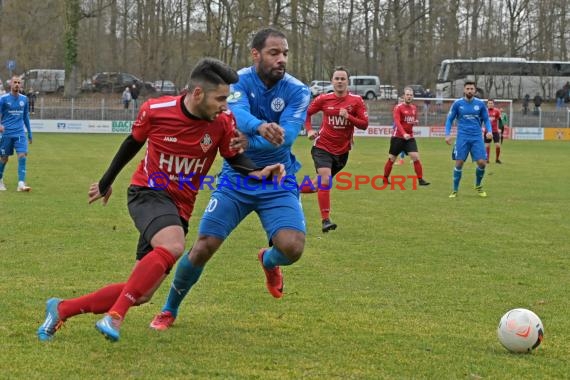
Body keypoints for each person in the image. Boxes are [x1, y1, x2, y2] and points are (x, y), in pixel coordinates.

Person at [36, 58, 283, 342]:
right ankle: (115, 315)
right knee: (174, 245)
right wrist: (106, 182)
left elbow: (235, 157)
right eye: (221, 98)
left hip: (181, 207)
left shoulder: (223, 123)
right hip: (148, 192)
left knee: (141, 293)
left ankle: (61, 309)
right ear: (198, 93)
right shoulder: (156, 110)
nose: (225, 105)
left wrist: (259, 171)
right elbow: (132, 142)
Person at [148, 27, 311, 331]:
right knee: (203, 246)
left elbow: (286, 137)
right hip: (237, 177)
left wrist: (251, 140)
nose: (281, 59)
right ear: (256, 54)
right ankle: (169, 309)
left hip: (278, 179)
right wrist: (261, 127)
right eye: (274, 53)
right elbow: (234, 116)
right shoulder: (236, 81)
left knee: (293, 248)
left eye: (285, 53)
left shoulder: (298, 90)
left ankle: (269, 260)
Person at [299, 66, 368, 232]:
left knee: (317, 185)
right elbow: (306, 113)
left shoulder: (356, 101)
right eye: (337, 78)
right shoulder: (324, 99)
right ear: (332, 81)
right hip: (322, 146)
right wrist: (309, 130)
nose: (339, 81)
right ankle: (326, 220)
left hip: (342, 151)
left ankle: (291, 191)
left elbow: (364, 125)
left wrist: (349, 117)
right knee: (325, 180)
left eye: (343, 79)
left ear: (347, 82)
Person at [445, 81, 492, 198]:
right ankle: (455, 190)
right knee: (459, 163)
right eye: (468, 88)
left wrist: (489, 131)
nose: (470, 91)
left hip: (477, 137)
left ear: (475, 91)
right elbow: (449, 119)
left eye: (472, 89)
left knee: (482, 163)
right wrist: (447, 134)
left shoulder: (480, 104)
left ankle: (478, 185)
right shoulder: (457, 104)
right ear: (464, 90)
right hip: (462, 137)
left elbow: (486, 119)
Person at [382, 86, 430, 186]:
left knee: (415, 157)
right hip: (398, 137)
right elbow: (397, 122)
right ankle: (385, 179)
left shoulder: (414, 108)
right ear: (404, 96)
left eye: (411, 95)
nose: (409, 97)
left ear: (413, 97)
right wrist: (403, 133)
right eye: (407, 95)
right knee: (392, 158)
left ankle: (420, 180)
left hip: (409, 137)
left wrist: (415, 121)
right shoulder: (398, 107)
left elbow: (413, 120)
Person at [0, 75, 32, 192]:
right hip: (7, 133)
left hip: (19, 133)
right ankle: (0, 180)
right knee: (4, 158)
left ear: (21, 84)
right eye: (15, 82)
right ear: (11, 84)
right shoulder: (3, 99)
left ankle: (21, 184)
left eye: (19, 82)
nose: (17, 84)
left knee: (22, 156)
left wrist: (30, 132)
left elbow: (25, 117)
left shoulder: (24, 99)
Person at [484, 99, 502, 164]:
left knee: (498, 145)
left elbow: (500, 120)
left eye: (491, 103)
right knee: (487, 146)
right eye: (489, 103)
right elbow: (481, 120)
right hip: (487, 131)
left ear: (493, 104)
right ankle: (487, 160)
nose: (490, 104)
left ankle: (497, 159)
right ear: (487, 104)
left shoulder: (497, 111)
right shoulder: (484, 111)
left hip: (495, 131)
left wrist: (499, 128)